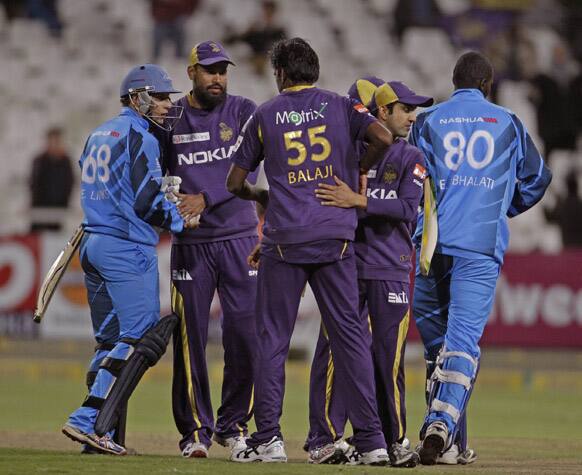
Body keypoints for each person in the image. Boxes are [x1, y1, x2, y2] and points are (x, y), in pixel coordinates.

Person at [226, 37, 394, 465]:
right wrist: (358, 169)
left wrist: (258, 194)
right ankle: (373, 442)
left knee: (272, 340)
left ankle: (269, 440)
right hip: (336, 239)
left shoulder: (264, 115)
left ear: (280, 73)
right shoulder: (341, 105)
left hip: (284, 242)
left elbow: (233, 183)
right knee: (351, 338)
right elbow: (383, 135)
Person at [409, 51, 552, 465]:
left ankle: (451, 443)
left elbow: (411, 176)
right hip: (478, 243)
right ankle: (440, 425)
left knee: (440, 351)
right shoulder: (508, 122)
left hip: (430, 245)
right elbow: (539, 178)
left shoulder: (426, 121)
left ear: (454, 83)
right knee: (463, 345)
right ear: (488, 85)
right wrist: (502, 204)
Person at [61, 64, 191, 455]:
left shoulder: (98, 133)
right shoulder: (141, 137)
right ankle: (88, 421)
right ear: (139, 98)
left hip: (94, 243)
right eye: (162, 96)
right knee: (140, 339)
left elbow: (93, 178)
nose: (169, 105)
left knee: (110, 342)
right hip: (126, 246)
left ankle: (105, 437)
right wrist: (180, 220)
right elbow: (147, 201)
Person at [305, 77, 433, 467]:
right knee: (332, 353)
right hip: (344, 264)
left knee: (386, 360)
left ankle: (391, 440)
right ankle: (323, 439)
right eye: (405, 109)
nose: (412, 116)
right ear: (383, 112)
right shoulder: (347, 151)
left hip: (391, 268)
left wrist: (358, 199)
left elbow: (406, 209)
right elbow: (325, 197)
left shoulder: (411, 157)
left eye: (413, 110)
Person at [160, 40, 259, 459]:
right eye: (209, 70)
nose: (217, 78)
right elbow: (158, 174)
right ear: (191, 73)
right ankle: (194, 432)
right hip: (191, 245)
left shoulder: (243, 110)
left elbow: (250, 166)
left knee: (247, 337)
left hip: (239, 237)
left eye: (222, 71)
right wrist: (170, 204)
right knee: (190, 340)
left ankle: (233, 425)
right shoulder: (169, 119)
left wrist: (206, 197)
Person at [223, 0, 286, 76]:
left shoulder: (279, 31)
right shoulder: (255, 31)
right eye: (266, 12)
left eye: (270, 12)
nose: (267, 15)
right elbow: (233, 40)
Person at [29, 127, 74, 232]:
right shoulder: (39, 160)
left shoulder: (66, 161)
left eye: (57, 141)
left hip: (58, 210)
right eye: (52, 141)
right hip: (39, 210)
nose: (54, 144)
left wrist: (64, 204)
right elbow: (34, 184)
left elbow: (69, 184)